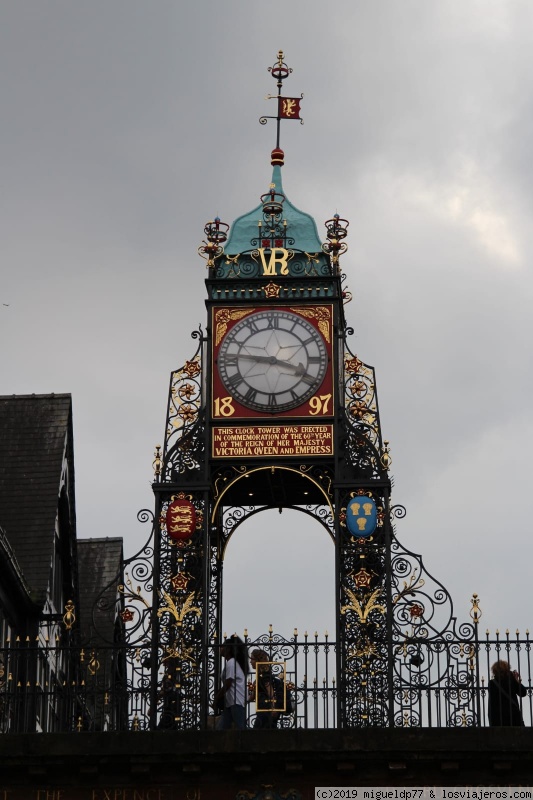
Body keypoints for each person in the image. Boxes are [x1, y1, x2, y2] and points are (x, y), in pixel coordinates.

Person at [248, 648, 291, 729]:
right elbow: (252, 696)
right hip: (264, 710)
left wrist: (273, 708)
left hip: (266, 710)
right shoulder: (260, 677)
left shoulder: (264, 676)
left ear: (258, 660)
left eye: (252, 659)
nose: (250, 662)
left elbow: (270, 691)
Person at [214, 635, 248, 730]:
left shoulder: (231, 663)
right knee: (221, 728)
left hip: (236, 701)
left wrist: (217, 696)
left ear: (228, 649)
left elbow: (228, 683)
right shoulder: (231, 662)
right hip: (231, 702)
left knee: (241, 728)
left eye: (222, 647)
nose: (220, 649)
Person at [488, 660, 527, 726]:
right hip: (513, 717)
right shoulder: (511, 680)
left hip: (498, 719)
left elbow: (491, 703)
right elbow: (523, 693)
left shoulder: (492, 683)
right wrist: (516, 680)